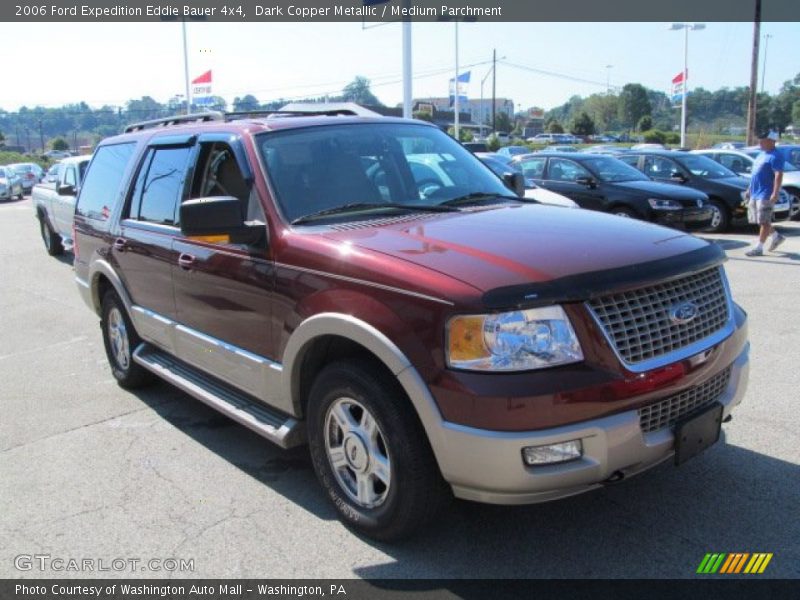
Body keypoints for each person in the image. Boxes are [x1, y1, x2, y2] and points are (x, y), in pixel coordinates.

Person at [745, 130, 785, 256]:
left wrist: (775, 193)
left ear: (771, 141)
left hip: (765, 193)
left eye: (763, 140)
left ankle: (759, 247)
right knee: (760, 220)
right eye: (760, 140)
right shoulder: (761, 154)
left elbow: (778, 175)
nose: (760, 142)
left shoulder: (776, 156)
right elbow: (755, 174)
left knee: (763, 220)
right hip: (755, 192)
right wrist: (749, 189)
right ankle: (776, 236)